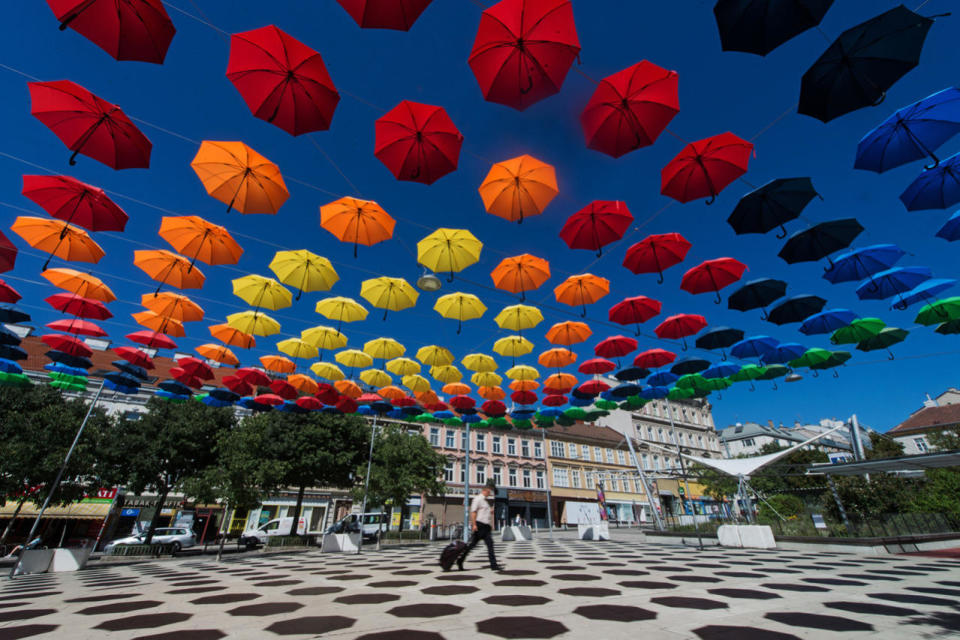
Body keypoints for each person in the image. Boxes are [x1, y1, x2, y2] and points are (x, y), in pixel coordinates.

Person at [457, 479, 503, 571]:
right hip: (480, 526)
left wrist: (490, 511)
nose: (489, 493)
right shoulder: (477, 499)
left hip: (486, 527)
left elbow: (483, 511)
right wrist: (474, 525)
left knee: (488, 544)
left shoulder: (485, 501)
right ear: (485, 491)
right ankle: (461, 560)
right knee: (473, 545)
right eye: (489, 491)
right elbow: (473, 512)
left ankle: (493, 565)